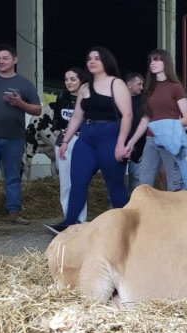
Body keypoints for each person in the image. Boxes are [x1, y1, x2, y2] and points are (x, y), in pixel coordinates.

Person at [45, 46, 133, 234]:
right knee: (78, 181)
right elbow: (77, 116)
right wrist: (66, 141)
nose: (92, 61)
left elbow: (127, 115)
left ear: (106, 62)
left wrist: (121, 143)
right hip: (86, 138)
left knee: (114, 184)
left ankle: (127, 226)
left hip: (110, 137)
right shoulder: (85, 88)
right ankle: (70, 223)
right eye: (89, 58)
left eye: (97, 58)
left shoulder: (115, 84)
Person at [0, 43, 42, 226]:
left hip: (14, 138)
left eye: (5, 58)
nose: (1, 61)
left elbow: (37, 110)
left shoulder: (24, 84)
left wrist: (20, 103)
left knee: (12, 177)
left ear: (15, 60)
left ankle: (14, 212)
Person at [126, 48, 187, 191]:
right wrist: (131, 142)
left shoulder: (176, 87)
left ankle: (176, 211)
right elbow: (145, 119)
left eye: (157, 59)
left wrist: (165, 126)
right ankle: (145, 211)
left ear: (166, 62)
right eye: (150, 60)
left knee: (174, 182)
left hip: (170, 140)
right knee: (143, 182)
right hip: (151, 140)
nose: (152, 62)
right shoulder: (148, 90)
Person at [50, 66, 89, 224]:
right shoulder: (62, 97)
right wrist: (56, 132)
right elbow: (56, 121)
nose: (68, 82)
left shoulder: (88, 98)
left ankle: (80, 219)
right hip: (63, 142)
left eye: (73, 79)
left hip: (82, 141)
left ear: (82, 80)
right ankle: (69, 218)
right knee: (65, 182)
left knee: (79, 181)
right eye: (66, 79)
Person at [124, 71, 146, 193]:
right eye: (139, 84)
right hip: (119, 146)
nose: (142, 87)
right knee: (117, 178)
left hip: (138, 146)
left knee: (136, 178)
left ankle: (133, 205)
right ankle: (115, 209)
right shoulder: (117, 100)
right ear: (129, 84)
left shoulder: (143, 102)